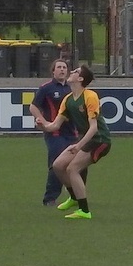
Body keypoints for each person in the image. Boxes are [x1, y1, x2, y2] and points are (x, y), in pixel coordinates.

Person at [35, 64, 110, 220]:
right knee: (58, 165)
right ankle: (74, 198)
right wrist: (43, 126)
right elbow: (55, 125)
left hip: (100, 140)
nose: (71, 72)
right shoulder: (68, 99)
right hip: (87, 140)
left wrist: (78, 145)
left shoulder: (90, 96)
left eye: (75, 71)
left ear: (80, 79)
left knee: (73, 169)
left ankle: (84, 210)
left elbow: (94, 128)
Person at [29, 58, 86, 206]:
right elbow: (33, 107)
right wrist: (42, 120)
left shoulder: (72, 87)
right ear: (53, 71)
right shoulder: (46, 88)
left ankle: (78, 196)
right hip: (54, 133)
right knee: (57, 164)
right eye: (59, 67)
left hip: (72, 133)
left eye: (64, 67)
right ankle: (50, 198)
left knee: (80, 163)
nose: (62, 70)